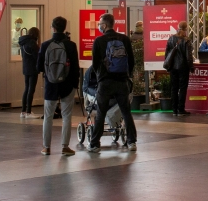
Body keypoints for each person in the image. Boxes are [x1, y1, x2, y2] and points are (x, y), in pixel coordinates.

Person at [88, 13, 137, 152]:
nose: (99, 26)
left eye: (100, 23)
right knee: (126, 112)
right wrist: (127, 75)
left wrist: (100, 76)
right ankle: (132, 142)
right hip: (122, 81)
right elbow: (131, 61)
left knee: (101, 112)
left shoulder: (99, 41)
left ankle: (95, 144)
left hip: (105, 82)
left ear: (105, 25)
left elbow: (95, 63)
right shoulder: (125, 39)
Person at [38, 16, 79, 156]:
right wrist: (75, 84)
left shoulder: (45, 45)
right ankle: (65, 147)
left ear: (53, 27)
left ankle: (46, 147)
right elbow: (75, 67)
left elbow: (39, 66)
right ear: (64, 27)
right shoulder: (71, 45)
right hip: (67, 84)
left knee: (48, 115)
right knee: (67, 116)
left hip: (51, 84)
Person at [165, 21, 194, 115]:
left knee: (174, 88)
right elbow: (189, 56)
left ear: (178, 27)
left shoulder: (171, 39)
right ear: (186, 29)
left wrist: (168, 66)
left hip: (173, 67)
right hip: (183, 67)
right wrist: (191, 67)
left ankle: (174, 110)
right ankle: (181, 109)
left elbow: (167, 54)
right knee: (182, 88)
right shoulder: (186, 40)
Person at [19, 27, 42, 118]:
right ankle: (28, 111)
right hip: (32, 68)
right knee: (31, 90)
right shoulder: (32, 43)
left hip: (25, 68)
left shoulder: (23, 42)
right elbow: (37, 56)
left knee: (26, 89)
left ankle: (23, 111)